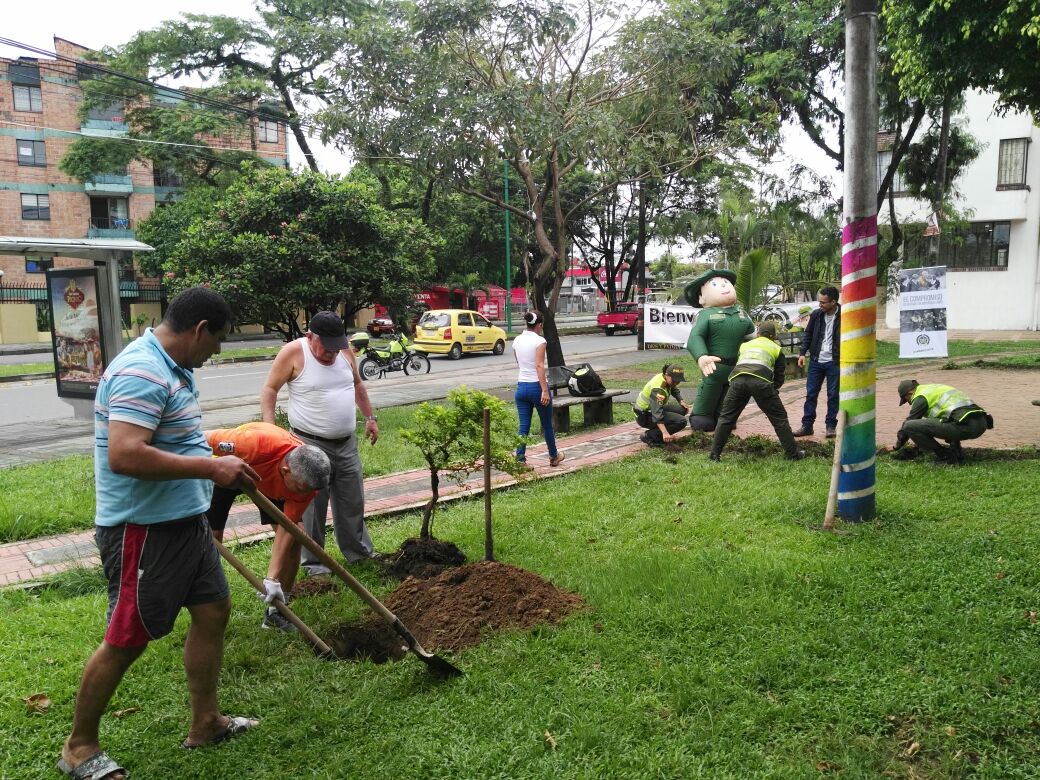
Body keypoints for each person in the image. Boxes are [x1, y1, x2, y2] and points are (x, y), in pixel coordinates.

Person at [60, 288, 261, 780]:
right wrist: (210, 470)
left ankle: (207, 722)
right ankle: (79, 747)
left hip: (185, 520)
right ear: (199, 329)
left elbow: (173, 437)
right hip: (144, 529)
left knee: (213, 610)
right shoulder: (142, 372)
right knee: (127, 638)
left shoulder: (175, 367)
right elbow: (125, 454)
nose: (217, 351)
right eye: (218, 340)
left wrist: (212, 460)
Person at [261, 312, 379, 575]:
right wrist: (270, 429)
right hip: (308, 443)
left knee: (352, 499)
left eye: (337, 347)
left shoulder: (344, 352)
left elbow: (357, 385)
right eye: (327, 347)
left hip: (345, 443)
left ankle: (359, 553)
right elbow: (270, 389)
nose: (332, 353)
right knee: (311, 506)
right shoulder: (293, 353)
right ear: (310, 337)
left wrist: (370, 417)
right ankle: (315, 563)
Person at [204, 422, 331, 631]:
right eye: (301, 489)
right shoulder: (253, 444)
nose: (305, 495)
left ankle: (277, 611)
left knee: (295, 539)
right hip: (227, 471)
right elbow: (200, 438)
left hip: (268, 484)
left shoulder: (307, 485)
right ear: (286, 471)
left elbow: (287, 528)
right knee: (210, 539)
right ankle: (207, 606)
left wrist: (271, 579)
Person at [709, 320, 805, 462]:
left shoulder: (745, 345)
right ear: (773, 336)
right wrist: (773, 389)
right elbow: (779, 376)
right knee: (779, 418)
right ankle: (792, 454)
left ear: (758, 334)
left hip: (737, 382)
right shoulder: (776, 348)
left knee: (726, 418)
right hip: (761, 383)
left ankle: (714, 455)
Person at [683, 269, 755, 431]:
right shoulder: (706, 315)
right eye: (715, 284)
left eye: (726, 283)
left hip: (736, 367)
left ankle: (725, 417)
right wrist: (701, 356)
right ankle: (701, 415)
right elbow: (695, 337)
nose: (723, 286)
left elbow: (752, 337)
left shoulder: (742, 314)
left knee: (730, 395)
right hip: (714, 366)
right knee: (709, 391)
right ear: (701, 298)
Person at [892, 379, 993, 464]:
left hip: (967, 426)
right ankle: (956, 452)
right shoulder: (933, 388)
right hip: (981, 423)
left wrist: (898, 444)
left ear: (909, 393)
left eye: (906, 400)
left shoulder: (920, 397)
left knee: (909, 426)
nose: (909, 403)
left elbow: (909, 423)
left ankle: (946, 457)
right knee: (943, 420)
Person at [513, 310, 565, 466]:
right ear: (540, 325)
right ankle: (554, 456)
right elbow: (539, 366)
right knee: (547, 424)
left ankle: (520, 459)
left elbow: (519, 363)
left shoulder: (516, 340)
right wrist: (544, 390)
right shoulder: (540, 341)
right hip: (536, 387)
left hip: (521, 387)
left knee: (523, 426)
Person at [793, 286, 841, 438]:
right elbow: (808, 335)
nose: (820, 305)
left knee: (833, 395)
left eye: (823, 302)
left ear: (833, 302)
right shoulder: (816, 315)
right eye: (819, 302)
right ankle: (807, 425)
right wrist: (802, 353)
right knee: (811, 394)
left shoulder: (844, 315)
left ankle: (831, 426)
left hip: (835, 361)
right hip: (816, 360)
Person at [633, 364, 690, 447]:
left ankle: (658, 431)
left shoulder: (664, 378)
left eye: (678, 381)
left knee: (682, 410)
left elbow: (673, 388)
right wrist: (665, 433)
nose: (676, 383)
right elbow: (657, 414)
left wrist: (681, 400)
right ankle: (650, 436)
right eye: (674, 380)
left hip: (651, 410)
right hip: (644, 416)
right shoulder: (658, 389)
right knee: (681, 421)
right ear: (667, 375)